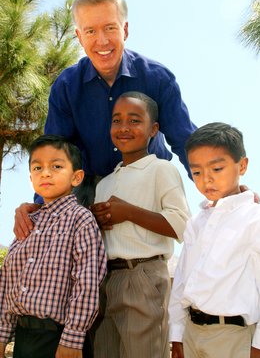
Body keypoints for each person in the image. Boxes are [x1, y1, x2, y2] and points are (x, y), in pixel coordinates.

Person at [14, 0, 196, 239]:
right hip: (90, 183)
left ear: (125, 30)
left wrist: (226, 189)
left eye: (110, 28)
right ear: (79, 36)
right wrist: (41, 204)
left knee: (142, 252)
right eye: (90, 31)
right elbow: (55, 152)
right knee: (52, 231)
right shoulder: (67, 86)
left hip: (147, 175)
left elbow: (185, 139)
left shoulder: (157, 78)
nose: (101, 41)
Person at [90, 91, 190, 358]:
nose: (123, 127)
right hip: (106, 280)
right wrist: (96, 221)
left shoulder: (161, 169)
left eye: (134, 120)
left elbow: (181, 225)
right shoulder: (104, 184)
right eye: (116, 120)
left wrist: (129, 212)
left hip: (143, 276)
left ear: (153, 129)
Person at [0, 135, 107, 358]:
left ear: (77, 177)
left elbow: (86, 283)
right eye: (37, 167)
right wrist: (2, 336)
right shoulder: (28, 223)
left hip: (58, 339)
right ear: (31, 177)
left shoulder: (80, 220)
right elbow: (8, 283)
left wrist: (73, 338)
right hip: (23, 338)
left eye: (56, 166)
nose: (45, 173)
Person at [168, 122, 260, 358]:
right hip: (192, 333)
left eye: (217, 169)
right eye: (197, 172)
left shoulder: (257, 220)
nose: (207, 180)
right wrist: (177, 334)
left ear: (242, 165)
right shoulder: (197, 222)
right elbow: (181, 281)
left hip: (232, 337)